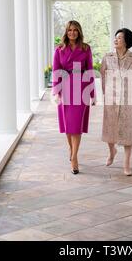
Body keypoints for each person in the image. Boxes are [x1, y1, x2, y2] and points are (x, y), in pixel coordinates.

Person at [52, 20, 96, 174]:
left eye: (75, 30)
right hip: (65, 89)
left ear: (79, 32)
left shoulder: (85, 48)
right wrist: (56, 92)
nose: (72, 33)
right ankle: (71, 150)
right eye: (70, 30)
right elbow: (56, 70)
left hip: (81, 88)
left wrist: (92, 94)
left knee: (76, 126)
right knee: (68, 126)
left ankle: (75, 157)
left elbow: (89, 70)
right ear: (66, 32)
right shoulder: (59, 49)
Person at [100, 28, 132, 176]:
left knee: (128, 131)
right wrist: (106, 93)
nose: (115, 40)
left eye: (119, 38)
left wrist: (131, 94)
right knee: (110, 129)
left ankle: (126, 164)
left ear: (126, 41)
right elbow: (103, 75)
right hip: (111, 98)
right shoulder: (107, 57)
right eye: (115, 37)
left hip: (128, 100)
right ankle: (112, 151)